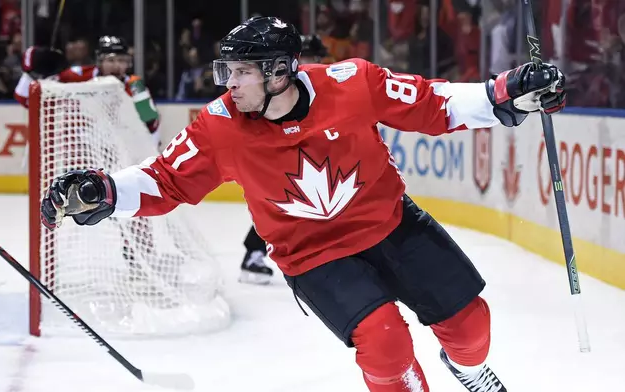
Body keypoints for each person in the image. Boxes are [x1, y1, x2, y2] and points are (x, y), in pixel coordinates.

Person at [39, 16, 566, 392]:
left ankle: (468, 371)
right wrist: (104, 191)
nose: (228, 84)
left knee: (472, 330)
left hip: (391, 224)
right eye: (227, 71)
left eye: (241, 73)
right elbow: (166, 179)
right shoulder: (220, 124)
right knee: (385, 346)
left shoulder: (353, 83)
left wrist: (504, 92)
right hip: (313, 255)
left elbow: (432, 103)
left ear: (278, 72)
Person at [238, 34, 331, 285]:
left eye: (316, 57)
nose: (314, 62)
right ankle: (254, 254)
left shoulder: (318, 83)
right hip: (278, 154)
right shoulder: (273, 85)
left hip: (306, 154)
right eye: (310, 56)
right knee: (280, 206)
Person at [14, 36, 161, 147]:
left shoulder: (134, 86)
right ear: (99, 61)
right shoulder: (78, 76)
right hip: (79, 156)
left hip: (121, 155)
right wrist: (33, 71)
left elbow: (152, 127)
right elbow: (24, 97)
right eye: (111, 60)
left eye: (122, 61)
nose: (117, 66)